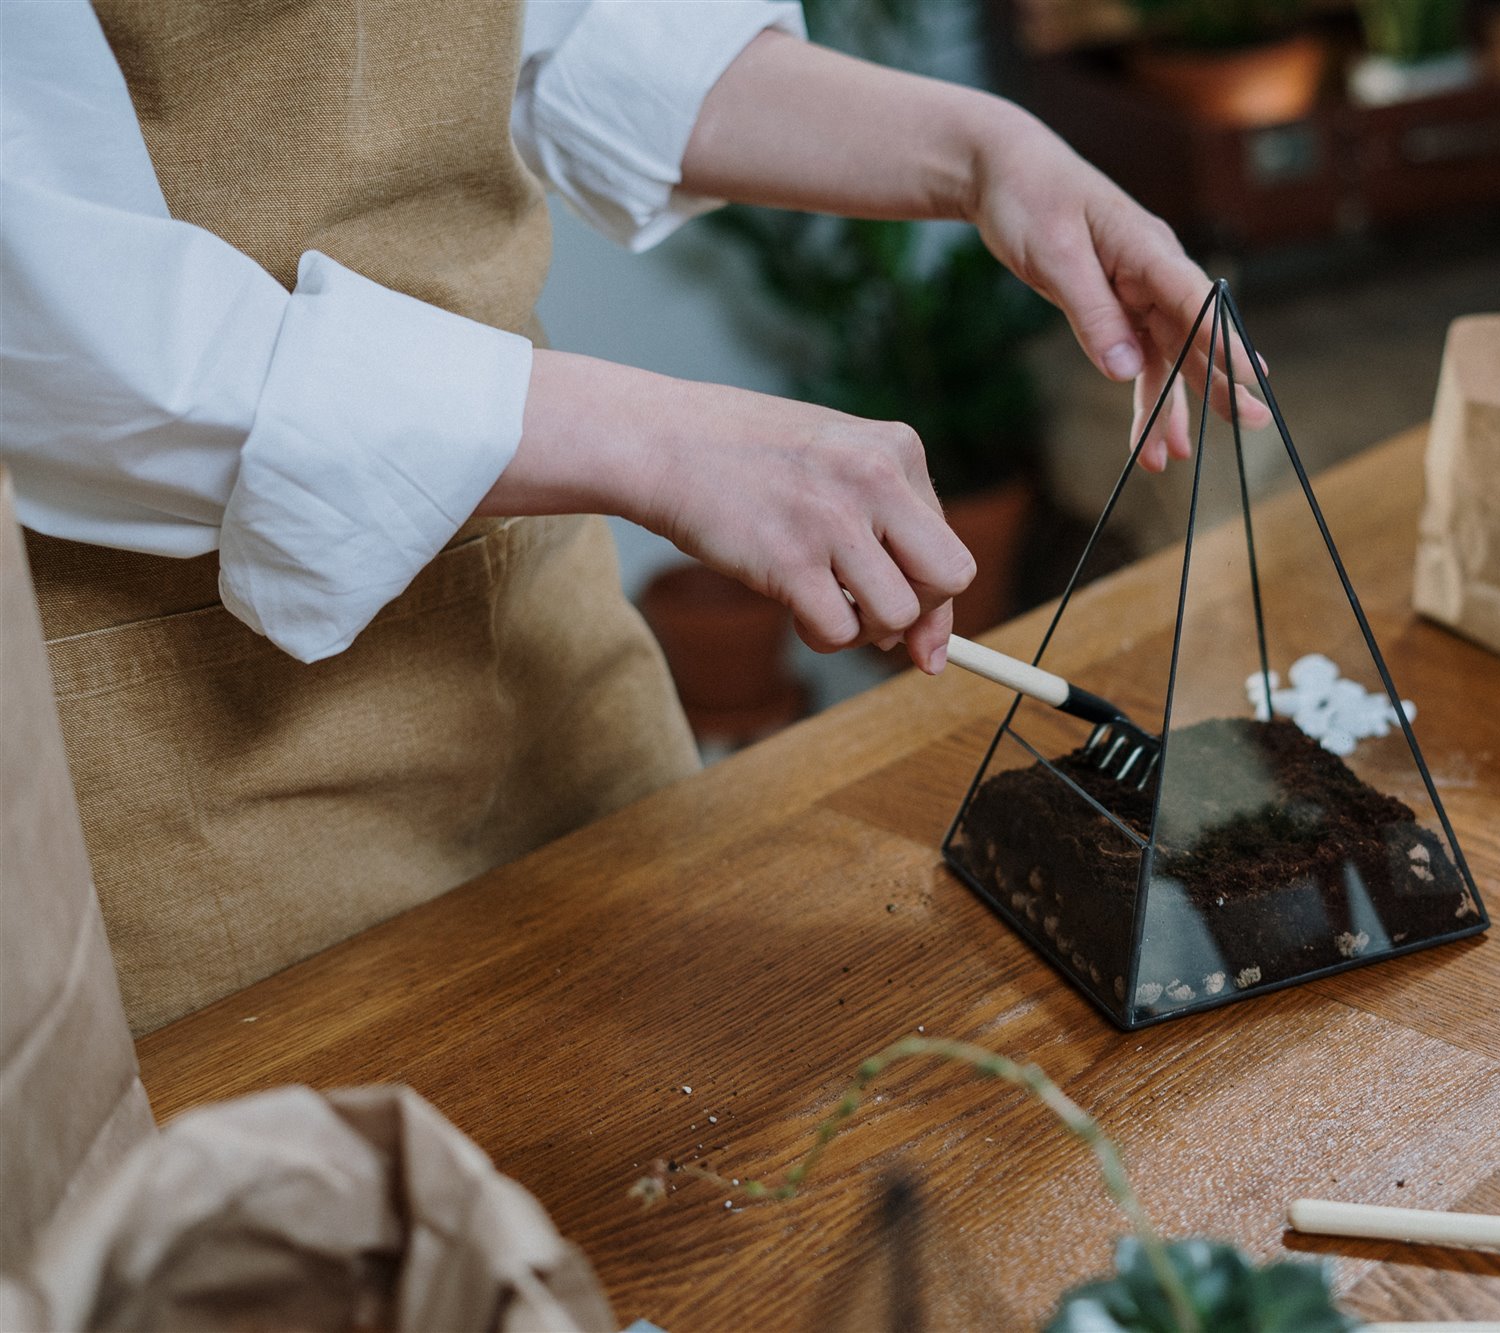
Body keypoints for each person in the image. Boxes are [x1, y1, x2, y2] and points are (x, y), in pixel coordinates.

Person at [0, 0, 1266, 1033]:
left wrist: (985, 151)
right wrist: (653, 436)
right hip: (175, 734)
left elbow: (574, 35)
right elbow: (54, 319)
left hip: (538, 636)